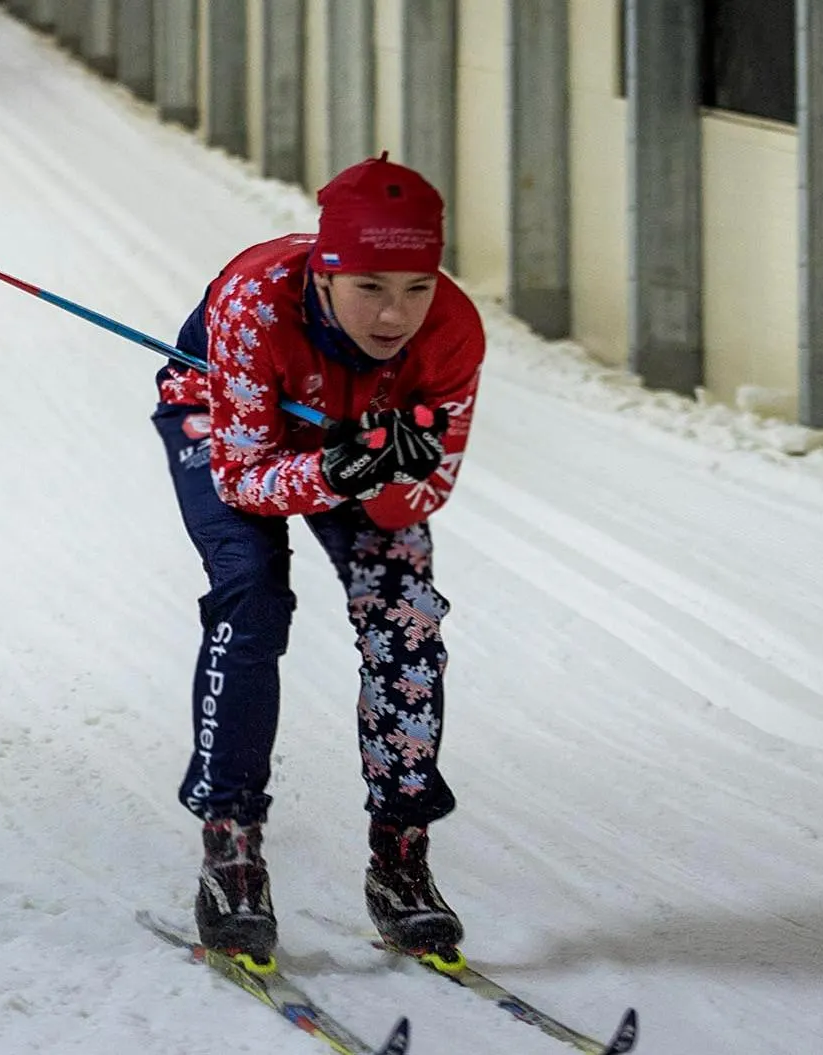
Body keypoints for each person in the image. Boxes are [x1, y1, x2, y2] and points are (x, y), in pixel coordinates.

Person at [151, 154, 487, 968]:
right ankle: (232, 846)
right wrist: (337, 468)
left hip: (353, 441)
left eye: (416, 286)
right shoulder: (255, 304)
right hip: (225, 423)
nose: (396, 314)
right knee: (251, 592)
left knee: (405, 615)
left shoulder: (452, 330)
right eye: (370, 286)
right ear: (326, 272)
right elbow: (243, 477)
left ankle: (400, 854)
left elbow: (425, 493)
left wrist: (387, 471)